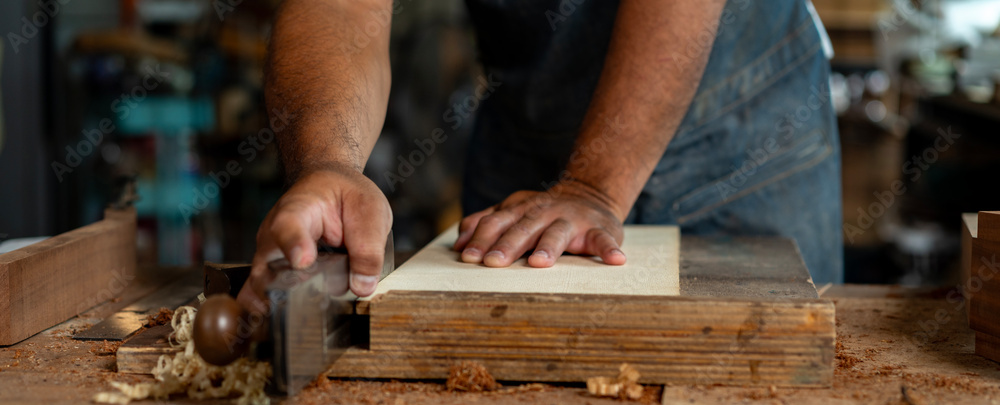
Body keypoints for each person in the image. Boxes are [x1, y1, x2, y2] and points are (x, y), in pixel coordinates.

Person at [237, 0, 843, 318]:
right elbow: (344, 7)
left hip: (740, 124)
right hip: (531, 127)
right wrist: (329, 162)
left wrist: (595, 188)